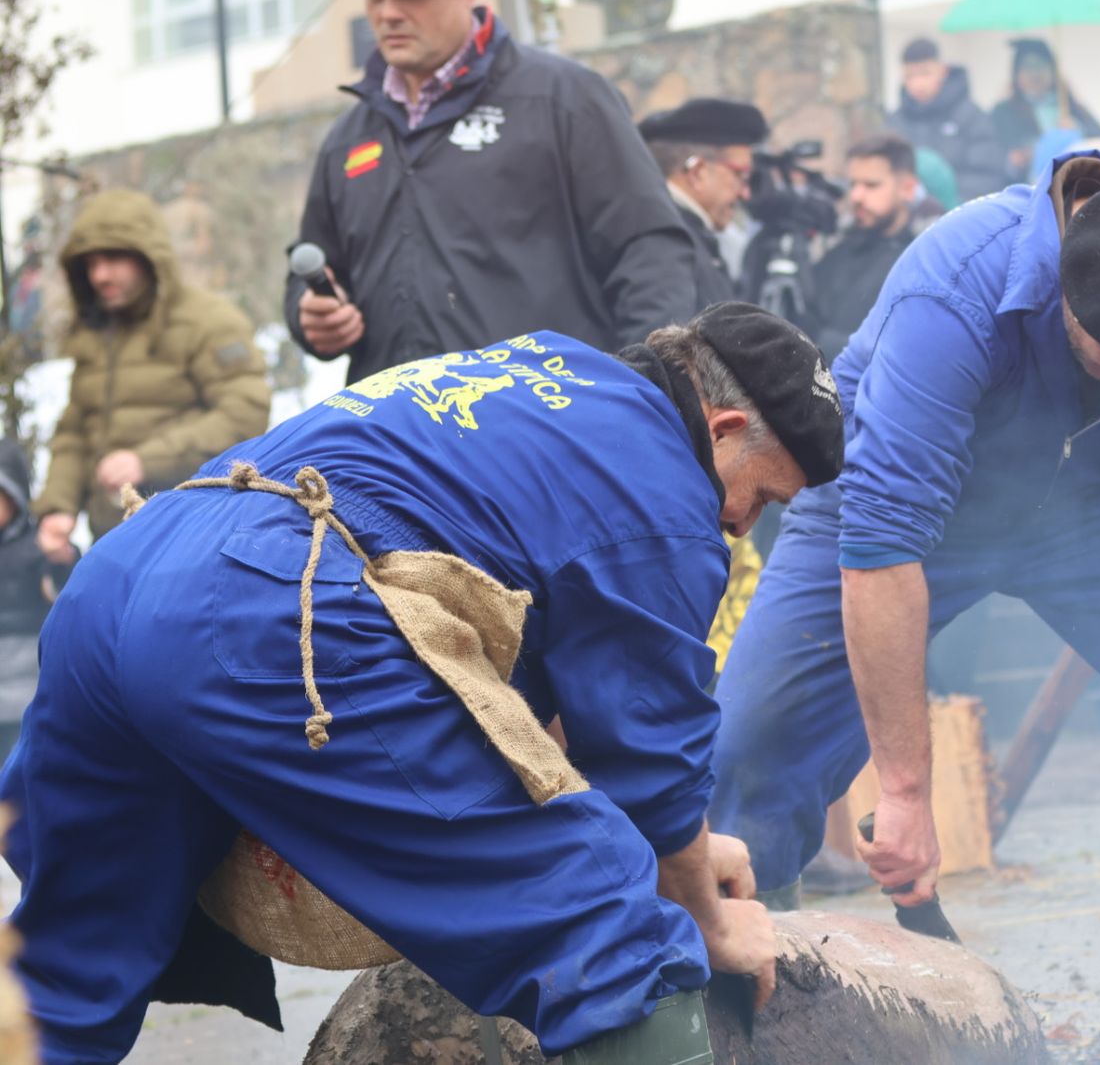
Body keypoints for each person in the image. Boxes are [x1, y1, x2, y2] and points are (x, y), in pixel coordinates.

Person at [3, 302, 843, 1064]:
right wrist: (708, 918)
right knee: (611, 932)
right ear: (724, 427)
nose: (744, 524)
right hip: (267, 603)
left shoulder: (549, 366)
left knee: (62, 977)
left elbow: (548, 729)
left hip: (123, 575)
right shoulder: (663, 491)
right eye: (762, 496)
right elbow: (653, 761)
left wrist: (689, 845)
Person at [709, 149, 1100, 1023]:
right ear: (1065, 297)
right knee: (752, 743)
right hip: (891, 511)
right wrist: (905, 793)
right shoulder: (953, 298)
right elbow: (882, 549)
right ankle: (753, 1010)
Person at [286, 0, 696, 384]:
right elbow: (314, 264)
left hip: (542, 414)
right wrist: (312, 315)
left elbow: (649, 251)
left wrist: (638, 388)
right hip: (394, 424)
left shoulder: (564, 98)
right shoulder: (348, 137)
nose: (388, 13)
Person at [33, 189, 269, 552]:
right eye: (90, 264)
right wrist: (58, 508)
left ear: (148, 256)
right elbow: (76, 430)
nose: (99, 275)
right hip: (113, 537)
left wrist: (148, 460)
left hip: (195, 532)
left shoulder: (207, 321)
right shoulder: (97, 333)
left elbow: (245, 414)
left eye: (113, 258)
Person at [639, 98, 770, 312]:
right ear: (697, 172)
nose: (745, 193)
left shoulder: (675, 235)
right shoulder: (666, 244)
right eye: (740, 175)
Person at [800, 134, 922, 360]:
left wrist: (817, 340)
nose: (856, 196)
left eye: (871, 185)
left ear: (907, 188)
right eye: (853, 184)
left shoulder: (919, 266)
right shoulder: (836, 252)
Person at [0, 439, 75, 759]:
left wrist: (61, 559)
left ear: (15, 496)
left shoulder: (43, 542)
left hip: (27, 693)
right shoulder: (35, 547)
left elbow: (68, 594)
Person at [888, 38, 1005, 203]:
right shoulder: (895, 122)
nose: (918, 83)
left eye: (924, 73)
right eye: (910, 76)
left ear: (942, 71)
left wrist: (951, 206)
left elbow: (985, 174)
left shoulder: (971, 118)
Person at [991, 38, 1100, 184]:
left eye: (1041, 66)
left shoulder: (1071, 108)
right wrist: (1013, 161)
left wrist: (1079, 130)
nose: (1034, 74)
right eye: (1027, 67)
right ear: (1016, 74)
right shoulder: (1003, 114)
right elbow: (991, 159)